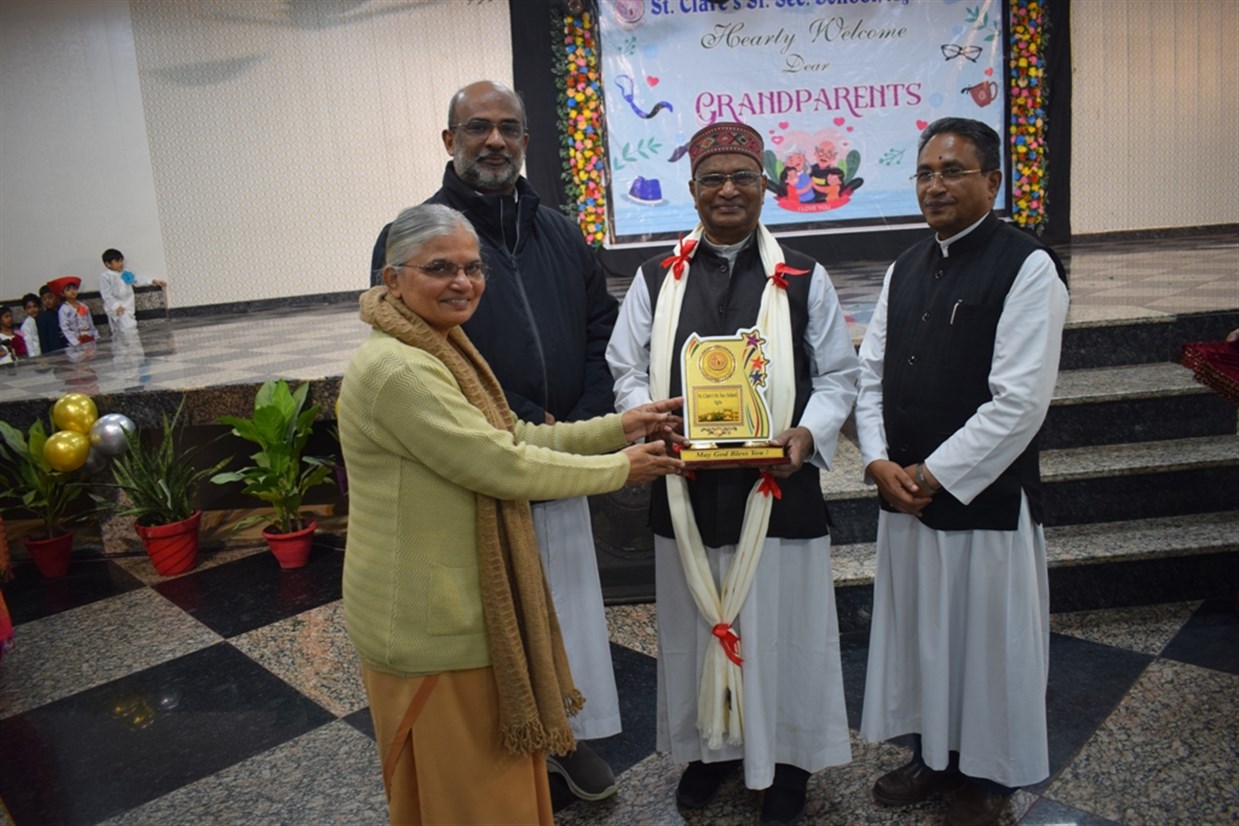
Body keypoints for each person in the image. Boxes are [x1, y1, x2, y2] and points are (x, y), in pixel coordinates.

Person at [341, 203, 684, 825]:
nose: (462, 282)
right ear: (392, 278)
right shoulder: (399, 369)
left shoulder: (436, 345)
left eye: (473, 268)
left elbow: (511, 436)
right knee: (469, 800)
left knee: (492, 791)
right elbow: (501, 465)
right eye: (440, 268)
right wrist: (620, 468)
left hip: (457, 608)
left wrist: (619, 426)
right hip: (429, 618)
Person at [370, 80, 626, 801]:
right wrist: (526, 419)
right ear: (449, 141)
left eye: (508, 128)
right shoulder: (418, 234)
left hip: (561, 447)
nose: (494, 141)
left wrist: (583, 416)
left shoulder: (562, 232)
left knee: (566, 604)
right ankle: (512, 742)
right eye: (477, 127)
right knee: (497, 618)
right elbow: (425, 346)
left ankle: (567, 732)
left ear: (525, 141)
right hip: (477, 466)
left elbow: (600, 329)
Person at [607, 122, 860, 826]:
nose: (727, 190)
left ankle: (787, 764)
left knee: (783, 631)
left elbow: (837, 375)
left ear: (764, 187)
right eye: (712, 178)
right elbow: (626, 367)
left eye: (742, 176)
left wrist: (808, 433)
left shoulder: (802, 276)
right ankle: (711, 751)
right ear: (691, 190)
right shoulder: (655, 279)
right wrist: (650, 417)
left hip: (777, 486)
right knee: (695, 627)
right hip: (686, 487)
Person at [855, 117, 1069, 826]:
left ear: (992, 181)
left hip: (980, 500)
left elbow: (1019, 401)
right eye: (924, 172)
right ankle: (934, 756)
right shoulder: (905, 266)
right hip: (905, 495)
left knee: (987, 648)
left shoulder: (1027, 266)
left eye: (952, 171)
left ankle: (988, 776)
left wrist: (932, 475)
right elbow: (869, 373)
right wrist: (878, 461)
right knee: (925, 638)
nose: (934, 185)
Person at [98, 248, 166, 334]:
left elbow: (137, 280)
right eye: (117, 261)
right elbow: (106, 294)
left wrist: (153, 281)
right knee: (128, 327)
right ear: (108, 264)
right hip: (116, 308)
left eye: (121, 261)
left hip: (128, 306)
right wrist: (116, 306)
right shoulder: (105, 276)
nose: (120, 263)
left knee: (126, 328)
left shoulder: (125, 272)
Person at [50, 276, 98, 347]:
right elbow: (65, 328)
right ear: (62, 293)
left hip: (89, 337)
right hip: (75, 340)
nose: (72, 291)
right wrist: (75, 342)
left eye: (74, 289)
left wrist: (95, 336)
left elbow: (90, 323)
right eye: (68, 290)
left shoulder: (84, 306)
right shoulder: (64, 309)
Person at [34, 285, 66, 354]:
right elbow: (43, 341)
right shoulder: (42, 318)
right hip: (54, 352)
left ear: (57, 297)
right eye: (44, 299)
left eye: (50, 297)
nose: (47, 301)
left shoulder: (64, 311)